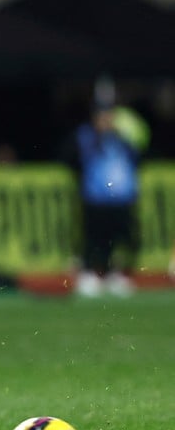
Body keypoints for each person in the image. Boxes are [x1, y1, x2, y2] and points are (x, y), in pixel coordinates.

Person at [64, 97, 140, 298]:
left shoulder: (122, 139)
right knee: (94, 238)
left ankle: (115, 274)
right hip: (96, 198)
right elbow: (70, 158)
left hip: (121, 198)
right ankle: (90, 273)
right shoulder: (85, 137)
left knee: (124, 238)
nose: (106, 120)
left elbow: (137, 157)